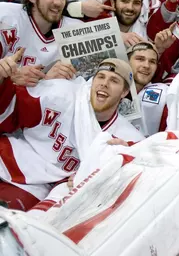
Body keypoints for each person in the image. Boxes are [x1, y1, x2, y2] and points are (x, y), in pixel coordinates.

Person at [0, 55, 144, 211]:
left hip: (36, 188)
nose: (104, 84)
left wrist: (91, 175)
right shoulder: (62, 93)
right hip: (11, 157)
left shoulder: (127, 139)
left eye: (114, 81)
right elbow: (8, 111)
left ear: (124, 92)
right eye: (100, 77)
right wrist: (2, 79)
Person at [0, 0, 81, 87]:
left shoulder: (75, 29)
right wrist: (8, 76)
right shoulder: (7, 17)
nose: (58, 2)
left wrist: (46, 79)